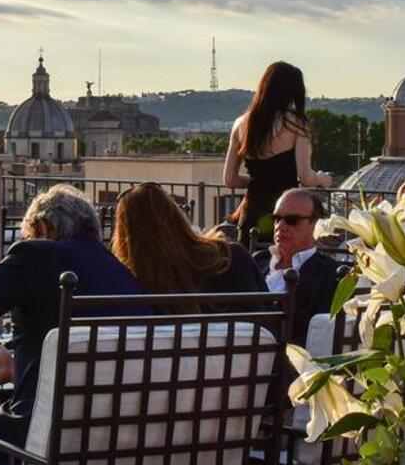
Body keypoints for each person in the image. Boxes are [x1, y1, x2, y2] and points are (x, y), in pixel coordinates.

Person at [0, 184, 149, 446]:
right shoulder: (122, 275)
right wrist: (18, 368)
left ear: (43, 228)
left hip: (37, 440)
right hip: (110, 438)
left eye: (29, 235)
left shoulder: (38, 255)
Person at [111, 182, 266, 311]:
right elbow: (272, 317)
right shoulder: (231, 257)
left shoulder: (133, 289)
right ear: (176, 216)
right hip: (247, 346)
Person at [223, 62, 335, 238]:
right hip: (286, 218)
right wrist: (323, 179)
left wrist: (258, 182)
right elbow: (305, 177)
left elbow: (230, 179)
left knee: (252, 262)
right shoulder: (298, 124)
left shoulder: (241, 124)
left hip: (251, 214)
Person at [268, 188, 340, 343]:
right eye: (276, 218)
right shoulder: (257, 261)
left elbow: (316, 336)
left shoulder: (329, 273)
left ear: (314, 224)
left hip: (285, 358)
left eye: (291, 220)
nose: (280, 226)